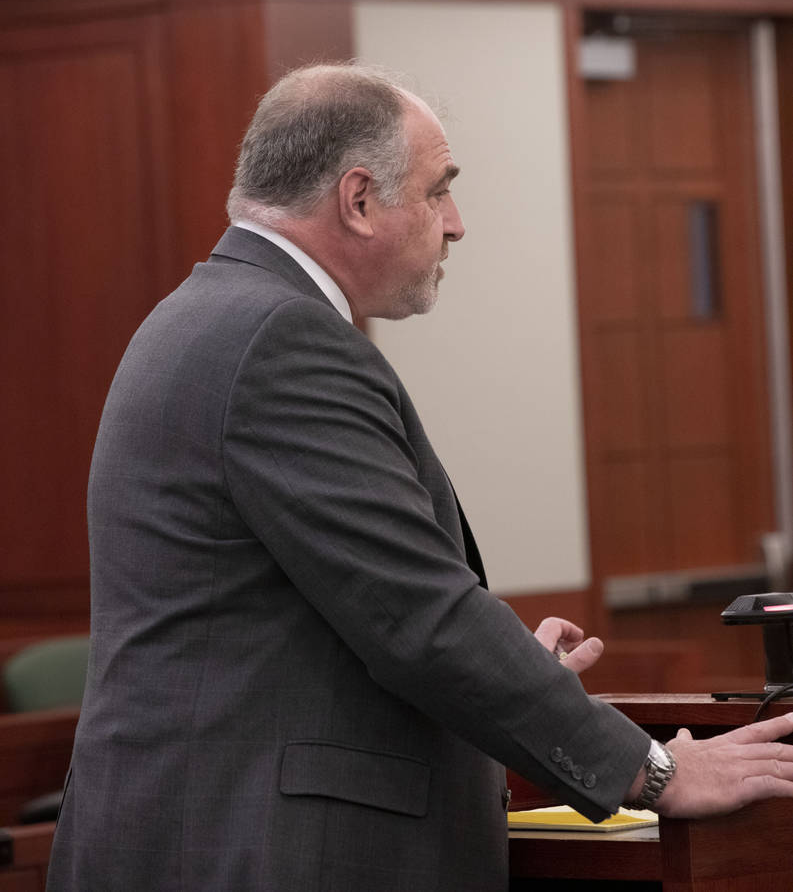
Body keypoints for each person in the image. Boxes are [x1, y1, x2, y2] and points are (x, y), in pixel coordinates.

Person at [46, 63, 793, 892]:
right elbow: (417, 619)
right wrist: (654, 773)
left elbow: (326, 610)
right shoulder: (280, 341)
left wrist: (508, 666)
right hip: (260, 851)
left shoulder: (207, 315)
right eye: (439, 191)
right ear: (359, 200)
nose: (457, 224)